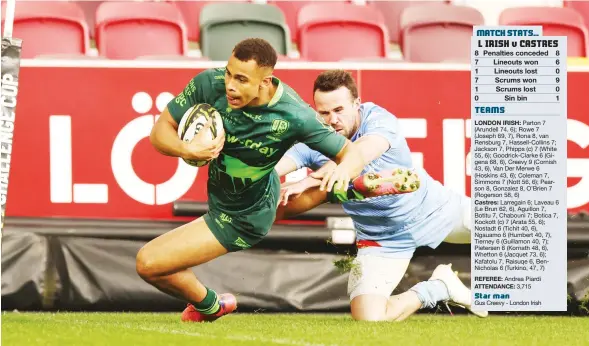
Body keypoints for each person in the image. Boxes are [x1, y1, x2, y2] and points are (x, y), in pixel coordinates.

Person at [136, 39, 367, 323]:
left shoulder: (295, 115)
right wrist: (186, 149)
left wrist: (344, 171)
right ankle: (352, 190)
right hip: (258, 187)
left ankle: (211, 305)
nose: (230, 84)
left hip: (241, 217)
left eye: (242, 79)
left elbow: (351, 153)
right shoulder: (210, 83)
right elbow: (160, 131)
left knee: (148, 263)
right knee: (292, 192)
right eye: (230, 73)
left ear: (265, 81)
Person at [274, 70, 489, 322]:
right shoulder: (311, 140)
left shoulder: (378, 119)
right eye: (324, 113)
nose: (333, 120)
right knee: (370, 320)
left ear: (357, 104)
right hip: (381, 239)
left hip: (435, 210)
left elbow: (357, 155)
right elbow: (273, 169)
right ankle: (440, 287)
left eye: (339, 110)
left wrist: (308, 180)